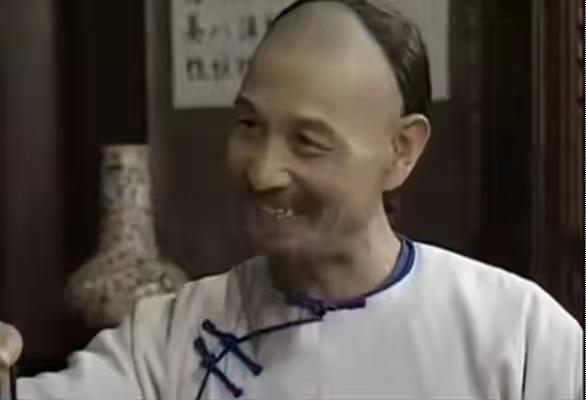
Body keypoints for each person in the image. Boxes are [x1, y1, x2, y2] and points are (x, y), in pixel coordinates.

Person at [0, 0, 583, 399]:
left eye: (308, 141)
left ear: (401, 150)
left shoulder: (521, 338)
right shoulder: (171, 337)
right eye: (249, 126)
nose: (262, 172)